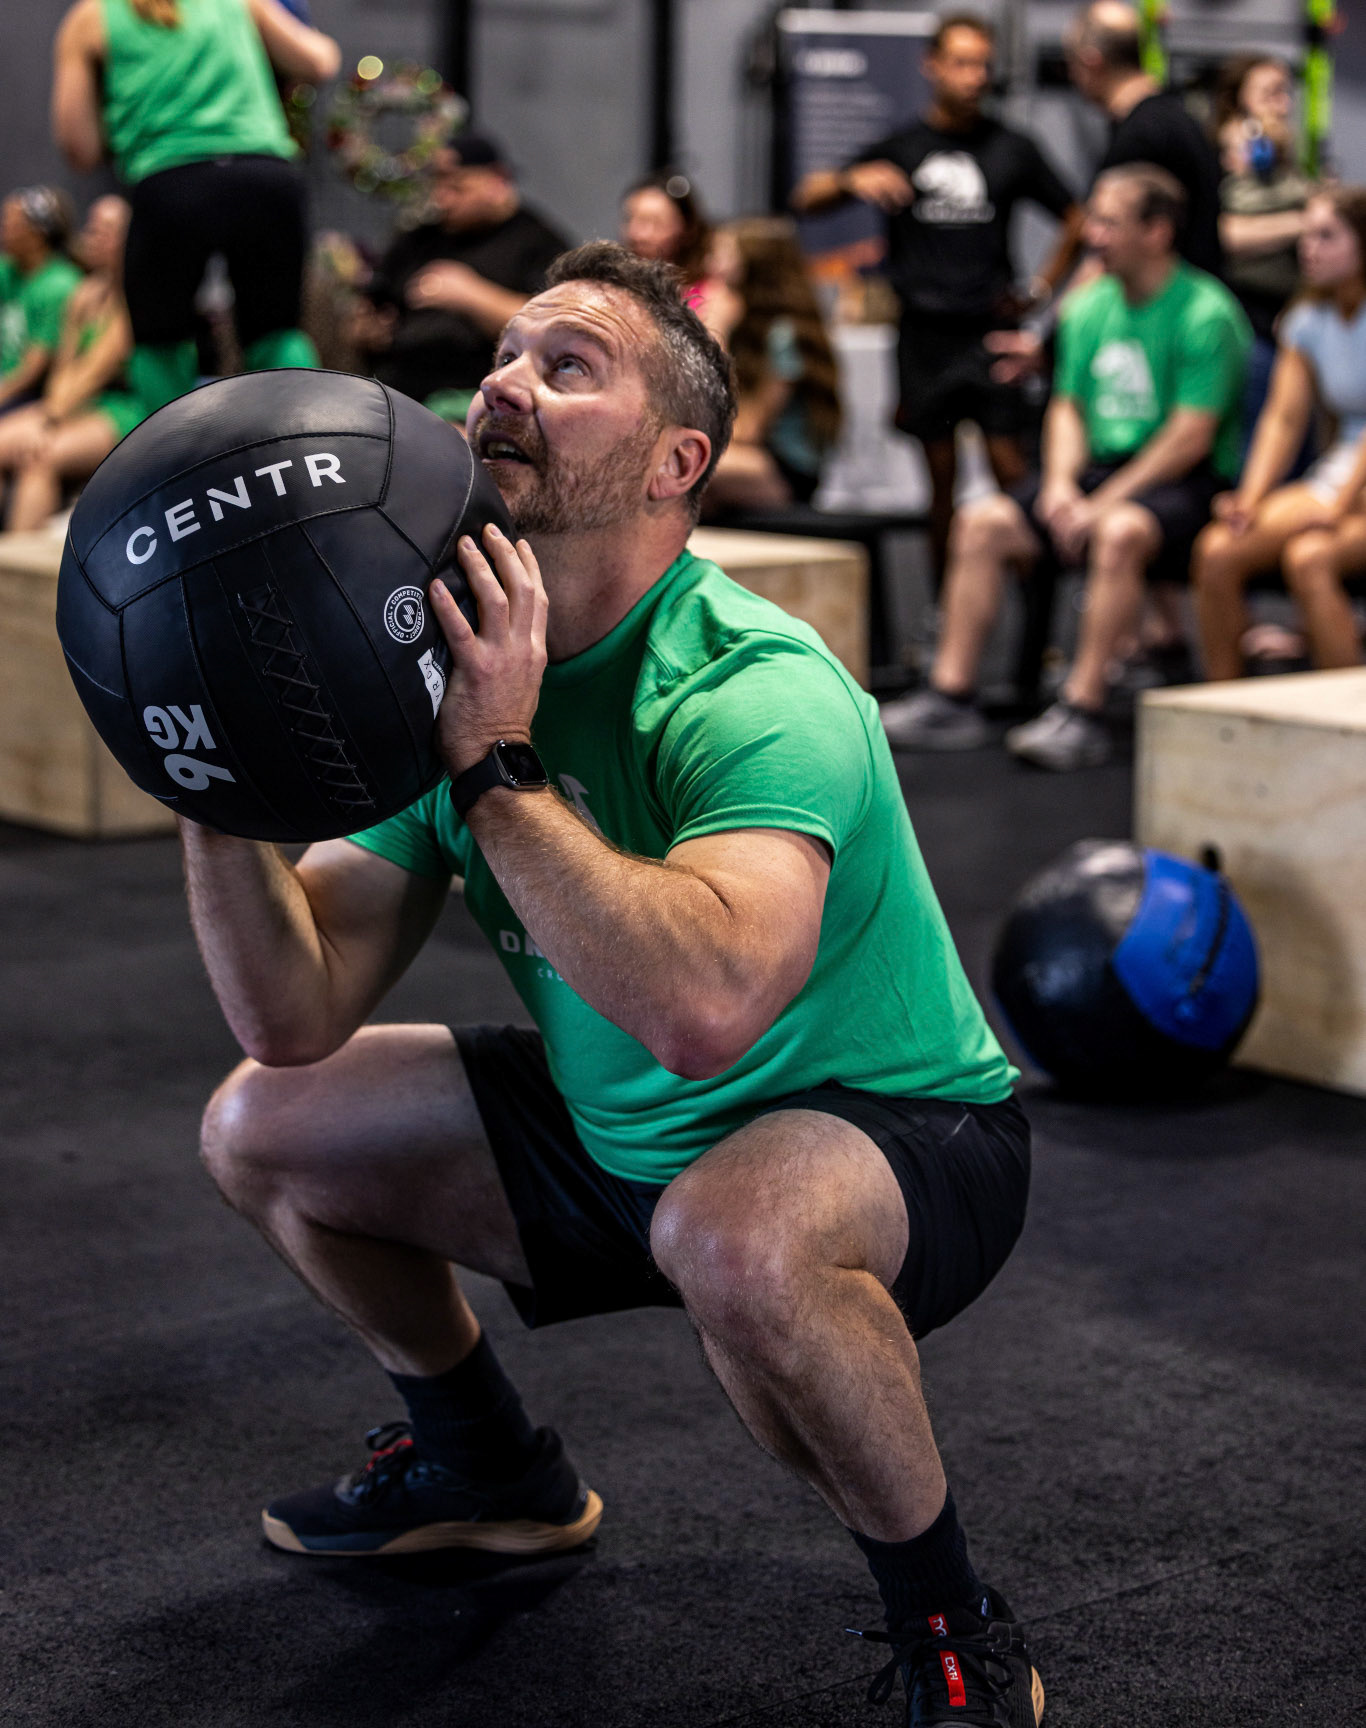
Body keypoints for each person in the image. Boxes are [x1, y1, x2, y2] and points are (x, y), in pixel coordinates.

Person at [189, 241, 1043, 1726]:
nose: (506, 383)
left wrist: (497, 764)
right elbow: (293, 1007)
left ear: (674, 462)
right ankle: (484, 1467)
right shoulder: (447, 667)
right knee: (265, 1122)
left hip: (887, 1130)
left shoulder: (752, 683)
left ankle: (953, 1624)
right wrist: (207, 774)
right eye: (503, 357)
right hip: (620, 1135)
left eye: (568, 366)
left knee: (734, 1232)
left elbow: (706, 1012)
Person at [884, 166, 1249, 771]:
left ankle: (1083, 709)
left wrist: (1102, 504)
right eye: (1094, 220)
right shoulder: (1087, 307)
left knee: (1119, 531)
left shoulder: (1206, 313)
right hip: (1097, 472)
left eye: (1109, 222)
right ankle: (952, 695)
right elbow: (1068, 408)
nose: (1092, 235)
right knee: (982, 521)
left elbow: (1190, 436)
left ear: (1156, 232)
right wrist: (1057, 485)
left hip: (1182, 482)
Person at [792, 13, 1080, 580]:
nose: (975, 77)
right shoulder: (904, 148)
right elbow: (807, 196)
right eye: (962, 63)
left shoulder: (1011, 147)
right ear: (933, 66)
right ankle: (944, 607)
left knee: (1012, 471)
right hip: (924, 334)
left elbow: (1077, 218)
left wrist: (1040, 289)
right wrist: (852, 181)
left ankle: (1033, 615)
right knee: (939, 479)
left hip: (988, 329)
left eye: (983, 65)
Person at [50, 0, 340, 413]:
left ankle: (172, 459)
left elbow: (79, 148)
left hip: (172, 183)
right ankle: (305, 445)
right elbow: (320, 60)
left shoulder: (91, 15)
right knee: (275, 332)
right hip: (264, 175)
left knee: (159, 343)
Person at [1194, 187, 1366, 678]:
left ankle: (1345, 716)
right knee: (1217, 550)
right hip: (1340, 477)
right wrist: (1249, 498)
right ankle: (1227, 705)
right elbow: (1282, 420)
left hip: (1355, 488)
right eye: (1306, 235)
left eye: (1326, 236)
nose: (1309, 248)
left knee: (1309, 557)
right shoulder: (1307, 321)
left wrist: (1337, 508)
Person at [359, 132, 570, 417]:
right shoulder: (418, 240)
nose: (442, 199)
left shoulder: (539, 244)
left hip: (483, 398)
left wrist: (468, 296)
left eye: (457, 188)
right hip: (394, 390)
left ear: (498, 182)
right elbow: (373, 308)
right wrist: (369, 329)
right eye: (437, 186)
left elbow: (553, 328)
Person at [0, 195, 138, 532]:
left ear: (130, 237)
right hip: (80, 404)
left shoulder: (138, 296)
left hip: (131, 410)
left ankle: (19, 561)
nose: (93, 237)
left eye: (105, 231)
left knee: (39, 459)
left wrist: (49, 420)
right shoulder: (85, 293)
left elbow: (95, 371)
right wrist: (50, 410)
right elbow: (65, 368)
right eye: (92, 228)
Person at [1064, 0, 1225, 278]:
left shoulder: (1140, 137)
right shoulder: (1176, 117)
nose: (1072, 76)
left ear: (1092, 62)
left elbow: (1105, 251)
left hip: (1167, 300)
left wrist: (1067, 308)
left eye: (1072, 65)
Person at [695, 215, 842, 511]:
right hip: (748, 458)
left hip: (785, 470)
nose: (711, 264)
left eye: (723, 255)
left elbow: (747, 430)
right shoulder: (747, 325)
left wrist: (716, 340)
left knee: (687, 468)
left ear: (753, 265)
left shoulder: (784, 335)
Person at [1212, 54, 1316, 451]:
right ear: (1239, 100)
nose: (1283, 105)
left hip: (1292, 315)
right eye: (1271, 93)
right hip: (1246, 318)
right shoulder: (1228, 159)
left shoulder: (1287, 163)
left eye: (1285, 93)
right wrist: (1304, 222)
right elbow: (1227, 234)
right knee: (1257, 436)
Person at [0, 186, 82, 420]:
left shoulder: (59, 285)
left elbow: (33, 370)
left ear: (37, 235)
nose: (3, 231)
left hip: (32, 394)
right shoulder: (9, 270)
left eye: (11, 225)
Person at [619, 170, 711, 307]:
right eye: (629, 219)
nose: (636, 233)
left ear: (687, 228)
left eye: (655, 222)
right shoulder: (613, 287)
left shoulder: (711, 298)